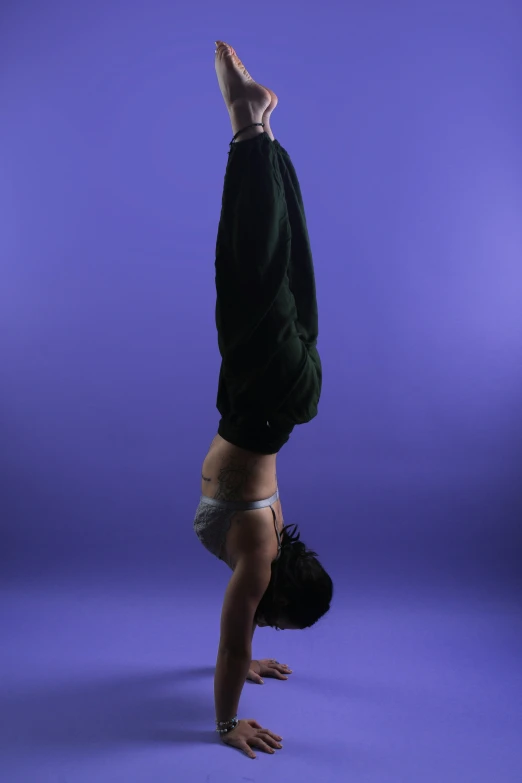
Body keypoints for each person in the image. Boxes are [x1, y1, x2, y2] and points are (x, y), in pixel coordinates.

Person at [193, 41, 334, 759]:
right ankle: (249, 126)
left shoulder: (274, 536)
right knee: (251, 271)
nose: (258, 624)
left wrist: (249, 659)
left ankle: (267, 134)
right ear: (275, 593)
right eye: (270, 622)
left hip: (291, 401)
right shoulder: (254, 555)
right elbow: (226, 642)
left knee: (288, 268)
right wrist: (227, 721)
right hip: (261, 397)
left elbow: (238, 639)